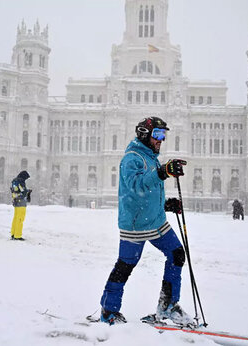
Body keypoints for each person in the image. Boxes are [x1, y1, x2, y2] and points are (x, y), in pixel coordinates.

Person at [99, 116, 192, 326]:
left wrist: (166, 204)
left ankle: (167, 306)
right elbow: (136, 187)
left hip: (155, 220)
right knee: (125, 265)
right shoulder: (131, 158)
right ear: (144, 134)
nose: (161, 139)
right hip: (135, 225)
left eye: (163, 135)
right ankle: (108, 311)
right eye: (157, 135)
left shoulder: (150, 157)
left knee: (177, 254)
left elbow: (149, 190)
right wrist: (163, 172)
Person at [10, 171, 32, 241]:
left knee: (15, 218)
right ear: (24, 176)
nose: (25, 180)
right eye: (26, 178)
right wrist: (28, 191)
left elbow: (15, 191)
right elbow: (23, 191)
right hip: (21, 202)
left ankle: (13, 234)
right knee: (20, 219)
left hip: (16, 201)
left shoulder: (14, 181)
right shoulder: (21, 181)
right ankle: (18, 235)